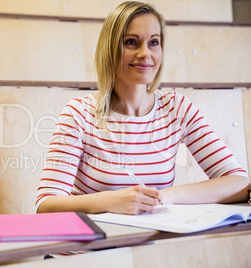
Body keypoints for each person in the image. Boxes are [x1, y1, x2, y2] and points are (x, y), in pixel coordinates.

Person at [36, 1, 250, 215]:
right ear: (110, 49)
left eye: (154, 42)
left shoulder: (177, 108)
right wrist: (110, 201)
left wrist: (165, 196)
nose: (145, 53)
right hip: (94, 246)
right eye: (131, 42)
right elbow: (46, 205)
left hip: (151, 245)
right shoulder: (78, 114)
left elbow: (239, 182)